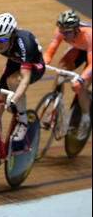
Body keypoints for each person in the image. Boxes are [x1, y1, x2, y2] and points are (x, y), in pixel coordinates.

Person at [0, 12, 45, 175]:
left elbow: (24, 79)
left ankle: (22, 120)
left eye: (2, 40)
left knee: (13, 82)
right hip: (14, 64)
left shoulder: (25, 41)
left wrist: (14, 100)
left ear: (12, 36)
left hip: (34, 66)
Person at [43, 9, 92, 140]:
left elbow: (91, 64)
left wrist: (81, 79)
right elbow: (49, 53)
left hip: (90, 49)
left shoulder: (88, 35)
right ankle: (54, 104)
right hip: (79, 48)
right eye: (62, 31)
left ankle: (86, 120)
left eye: (67, 32)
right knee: (61, 69)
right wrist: (41, 65)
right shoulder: (60, 32)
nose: (64, 35)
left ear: (76, 29)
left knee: (82, 86)